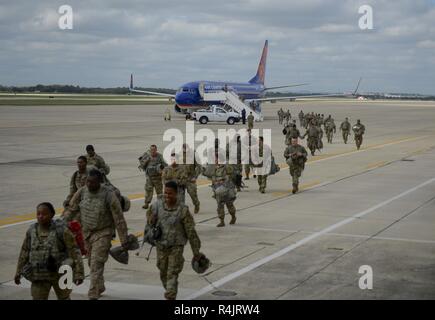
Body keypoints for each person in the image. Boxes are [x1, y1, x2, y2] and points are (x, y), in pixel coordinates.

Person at [65, 169, 129, 300]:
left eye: (92, 182)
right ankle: (100, 285)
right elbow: (71, 209)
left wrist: (124, 240)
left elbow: (119, 218)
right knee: (90, 262)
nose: (89, 184)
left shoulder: (108, 195)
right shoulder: (82, 192)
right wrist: (60, 224)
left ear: (99, 182)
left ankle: (93, 293)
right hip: (87, 233)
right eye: (87, 181)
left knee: (96, 263)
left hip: (103, 233)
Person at [15, 202, 84, 300]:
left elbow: (74, 251)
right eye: (38, 214)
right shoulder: (31, 231)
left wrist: (79, 274)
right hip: (39, 276)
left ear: (52, 214)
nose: (40, 216)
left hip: (61, 274)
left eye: (44, 214)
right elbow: (24, 252)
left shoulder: (62, 231)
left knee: (64, 297)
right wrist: (18, 272)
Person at [146, 181, 202, 300]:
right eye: (165, 193)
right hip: (161, 246)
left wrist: (196, 252)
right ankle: (170, 290)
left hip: (176, 247)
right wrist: (151, 220)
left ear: (176, 194)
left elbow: (191, 233)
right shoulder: (157, 206)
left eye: (170, 193)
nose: (167, 196)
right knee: (163, 272)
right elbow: (149, 221)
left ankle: (170, 296)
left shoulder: (183, 210)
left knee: (172, 273)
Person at [203, 150, 237, 227]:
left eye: (215, 158)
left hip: (226, 189)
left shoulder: (226, 166)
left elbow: (232, 175)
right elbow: (207, 174)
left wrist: (224, 181)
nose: (214, 160)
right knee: (220, 206)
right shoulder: (213, 167)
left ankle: (233, 216)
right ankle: (222, 221)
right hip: (217, 190)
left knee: (229, 205)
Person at [139, 145, 168, 209]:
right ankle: (146, 203)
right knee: (148, 191)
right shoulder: (147, 156)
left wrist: (162, 170)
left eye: (154, 150)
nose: (153, 151)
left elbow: (165, 165)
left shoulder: (160, 157)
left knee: (159, 192)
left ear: (156, 150)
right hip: (149, 177)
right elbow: (142, 165)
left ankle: (161, 204)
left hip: (157, 178)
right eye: (151, 150)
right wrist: (145, 161)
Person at [180, 144, 201, 213]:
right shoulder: (179, 154)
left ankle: (196, 204)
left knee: (193, 194)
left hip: (190, 178)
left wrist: (195, 177)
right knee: (180, 196)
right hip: (181, 179)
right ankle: (182, 209)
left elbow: (199, 167)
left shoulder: (194, 154)